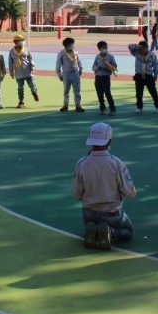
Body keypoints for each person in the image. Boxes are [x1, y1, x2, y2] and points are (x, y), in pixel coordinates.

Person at [71, 122, 136, 250]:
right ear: (109, 140)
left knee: (91, 219)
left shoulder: (82, 163)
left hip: (88, 212)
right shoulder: (116, 163)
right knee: (128, 232)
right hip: (111, 212)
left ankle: (92, 232)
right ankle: (110, 232)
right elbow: (129, 192)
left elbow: (76, 193)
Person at [128, 40, 158, 114]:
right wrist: (137, 46)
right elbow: (129, 46)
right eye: (140, 48)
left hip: (148, 75)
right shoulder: (136, 53)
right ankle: (139, 107)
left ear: (146, 48)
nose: (141, 50)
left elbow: (156, 65)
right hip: (139, 76)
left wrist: (156, 74)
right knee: (139, 93)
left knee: (153, 92)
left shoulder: (152, 55)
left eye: (143, 48)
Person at [8, 34, 39, 108]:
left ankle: (34, 92)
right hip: (18, 73)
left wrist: (32, 67)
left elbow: (30, 59)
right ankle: (21, 102)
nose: (22, 42)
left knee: (32, 86)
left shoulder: (26, 49)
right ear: (16, 42)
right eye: (21, 41)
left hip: (28, 71)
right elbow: (10, 62)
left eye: (23, 40)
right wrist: (11, 72)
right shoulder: (11, 51)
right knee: (20, 88)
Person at [57, 37, 85, 112]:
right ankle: (65, 105)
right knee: (66, 90)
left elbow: (79, 61)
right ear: (66, 46)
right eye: (71, 45)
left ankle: (78, 105)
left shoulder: (75, 52)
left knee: (77, 90)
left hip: (75, 73)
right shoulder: (61, 53)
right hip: (66, 74)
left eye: (73, 44)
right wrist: (59, 75)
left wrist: (81, 68)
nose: (73, 46)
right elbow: (58, 65)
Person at [92, 40, 118, 116]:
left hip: (106, 78)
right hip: (98, 77)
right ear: (99, 49)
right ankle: (102, 109)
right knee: (100, 94)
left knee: (107, 93)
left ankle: (112, 109)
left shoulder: (110, 56)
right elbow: (93, 67)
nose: (105, 49)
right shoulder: (97, 57)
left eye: (106, 47)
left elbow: (115, 66)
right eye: (103, 48)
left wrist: (108, 68)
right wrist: (97, 68)